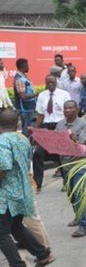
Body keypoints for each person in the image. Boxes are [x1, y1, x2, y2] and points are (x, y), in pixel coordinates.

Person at [0, 110, 56, 267]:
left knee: (2, 233)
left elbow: (3, 167)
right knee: (16, 227)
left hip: (6, 194)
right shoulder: (22, 138)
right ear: (16, 124)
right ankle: (43, 254)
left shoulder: (2, 141)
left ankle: (18, 264)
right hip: (22, 190)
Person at [55, 100, 86, 238]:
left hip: (79, 163)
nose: (68, 110)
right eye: (65, 108)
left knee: (79, 193)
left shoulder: (83, 123)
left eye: (71, 108)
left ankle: (84, 225)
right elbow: (56, 140)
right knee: (71, 193)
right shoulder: (60, 124)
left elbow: (84, 142)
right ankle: (78, 216)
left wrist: (74, 139)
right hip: (65, 164)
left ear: (76, 109)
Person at [34, 75, 71, 190]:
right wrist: (36, 132)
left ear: (56, 82)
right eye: (48, 82)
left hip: (60, 127)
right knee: (37, 154)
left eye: (52, 82)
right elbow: (40, 115)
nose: (50, 85)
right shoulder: (42, 96)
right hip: (46, 128)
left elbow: (69, 113)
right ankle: (37, 184)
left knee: (63, 156)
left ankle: (67, 183)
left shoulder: (64, 95)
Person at [13, 58, 37, 136]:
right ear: (24, 66)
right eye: (28, 65)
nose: (28, 67)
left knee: (30, 129)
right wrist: (36, 95)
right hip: (25, 110)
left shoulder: (24, 77)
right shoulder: (19, 79)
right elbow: (22, 96)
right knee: (27, 130)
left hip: (29, 109)